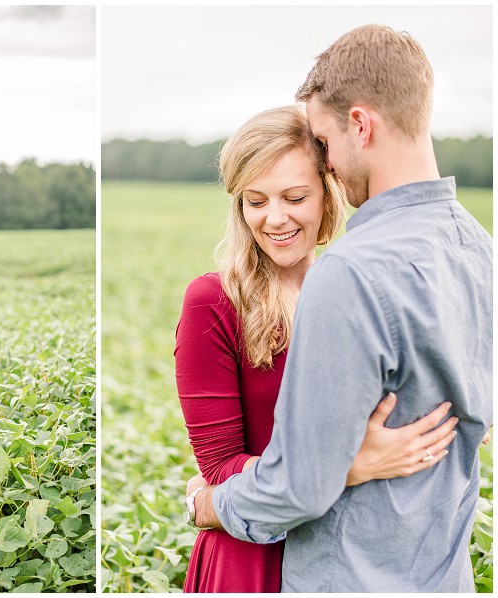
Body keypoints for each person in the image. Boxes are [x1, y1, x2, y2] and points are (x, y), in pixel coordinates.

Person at [187, 25, 492, 592]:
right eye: (256, 200)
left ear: (360, 125)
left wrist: (206, 505)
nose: (330, 163)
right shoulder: (480, 249)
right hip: (440, 576)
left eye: (323, 148)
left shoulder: (350, 271)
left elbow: (300, 486)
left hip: (349, 575)